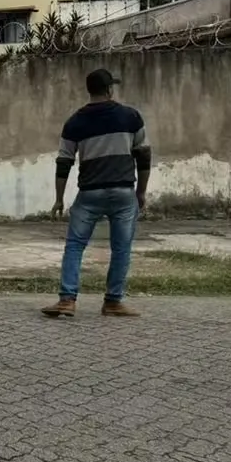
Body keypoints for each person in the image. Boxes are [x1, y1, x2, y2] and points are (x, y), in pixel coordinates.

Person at [42, 69, 152, 319]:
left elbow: (64, 162)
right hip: (124, 192)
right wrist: (141, 191)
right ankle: (113, 302)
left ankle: (67, 300)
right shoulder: (131, 117)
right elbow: (144, 155)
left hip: (90, 193)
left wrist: (59, 198)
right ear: (109, 89)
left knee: (75, 245)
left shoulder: (74, 122)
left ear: (89, 90)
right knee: (121, 247)